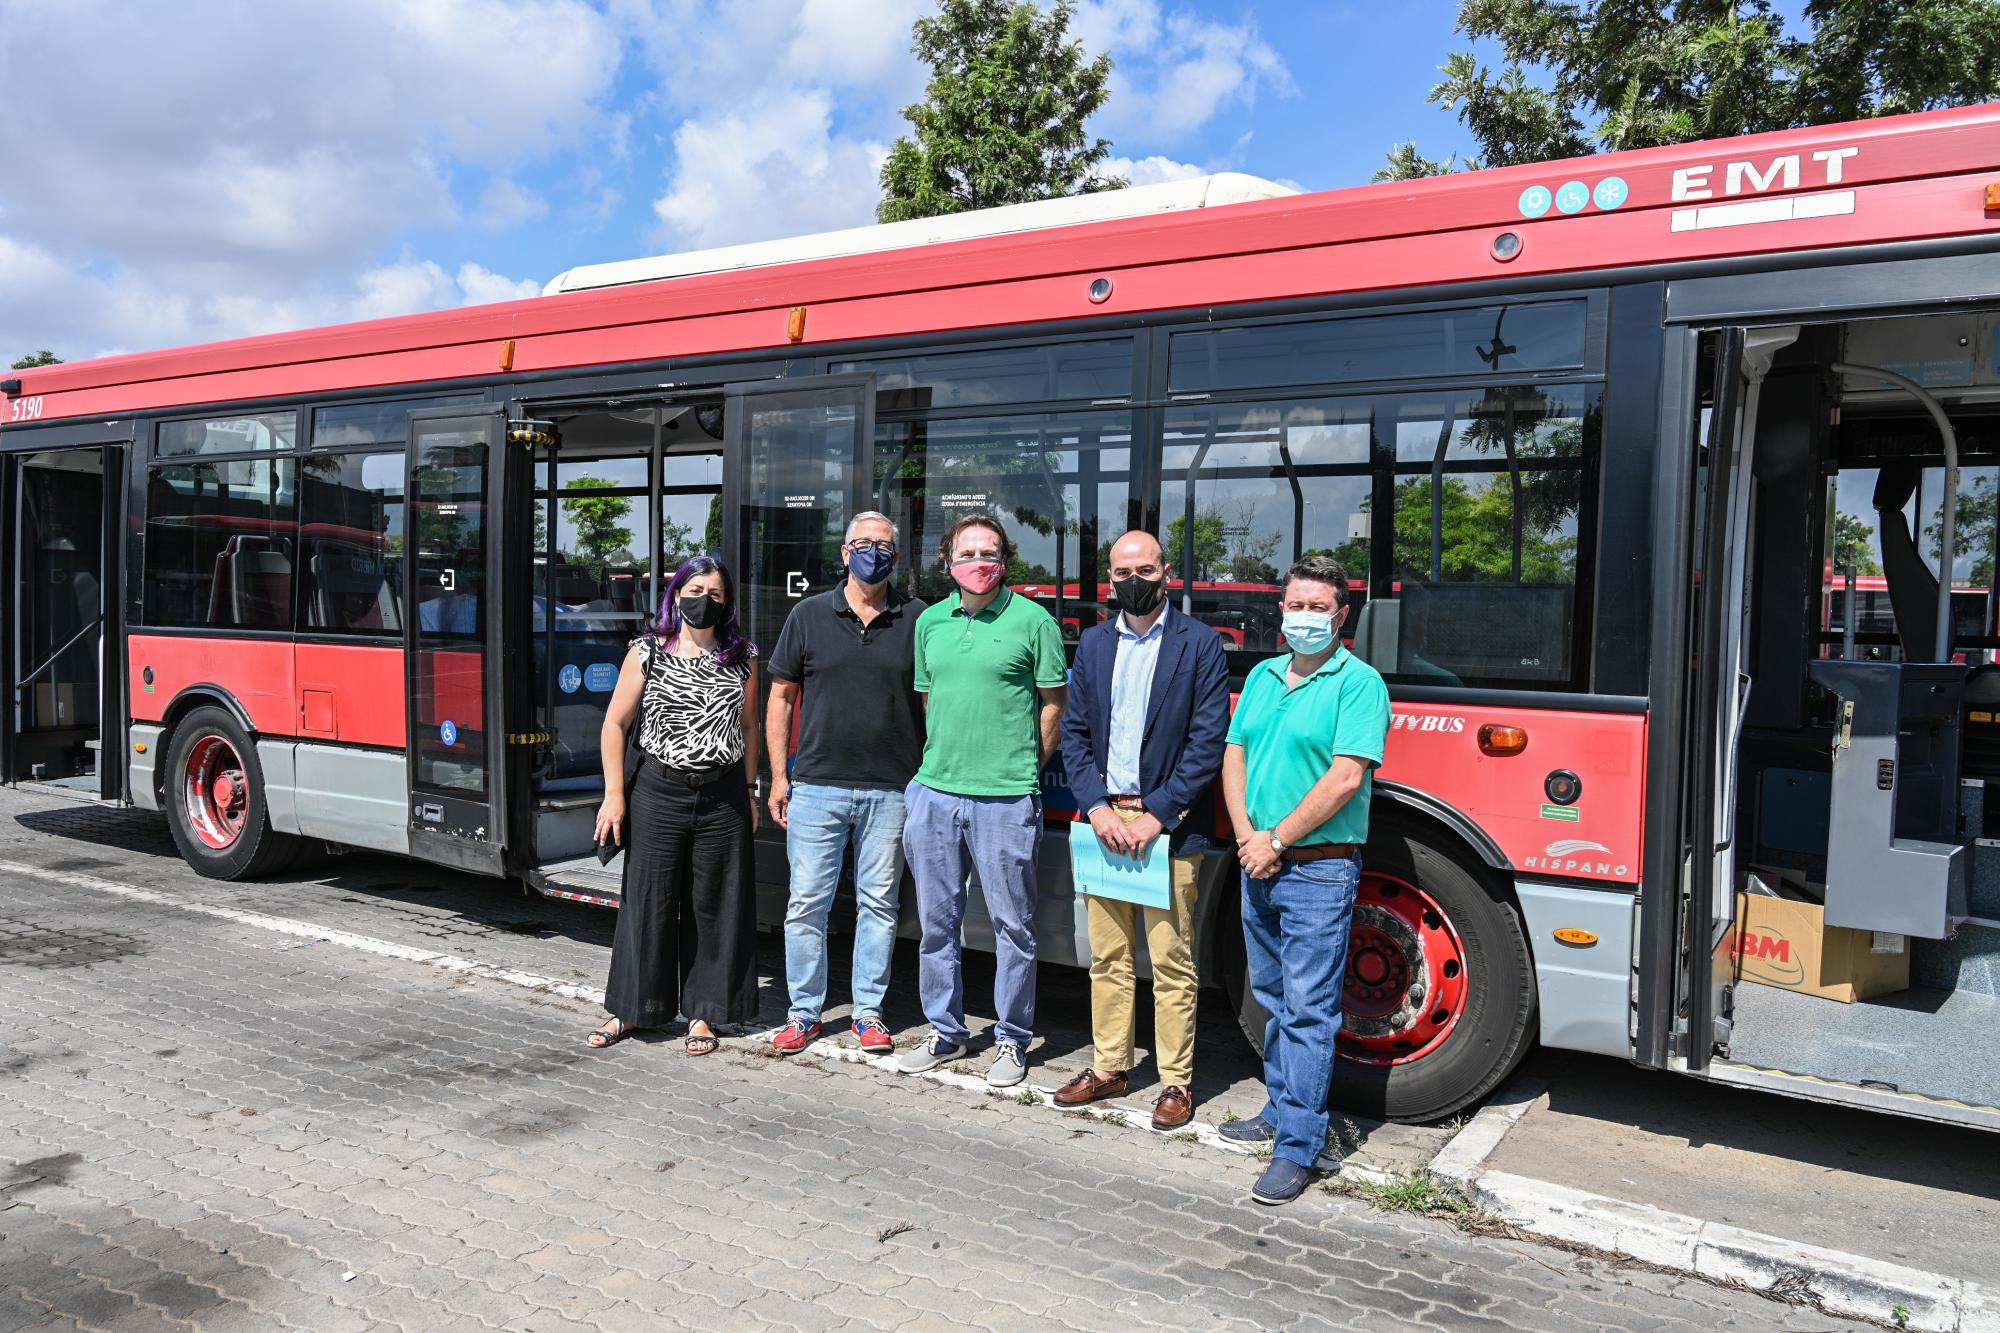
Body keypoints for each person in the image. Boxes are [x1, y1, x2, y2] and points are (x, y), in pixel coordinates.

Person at [1219, 555, 1390, 1205]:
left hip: (1317, 867)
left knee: (1311, 1008)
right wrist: (1246, 837)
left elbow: (1347, 776)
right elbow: (1234, 755)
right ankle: (1281, 1107)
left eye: (1319, 607)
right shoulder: (1262, 675)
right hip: (1256, 859)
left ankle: (1300, 1147)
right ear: (1281, 609)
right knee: (1271, 994)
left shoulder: (1359, 683)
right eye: (1296, 605)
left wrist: (1277, 838)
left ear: (1342, 616)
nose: (1305, 617)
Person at [1054, 531, 1229, 1130]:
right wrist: (1098, 808)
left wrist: (1158, 814)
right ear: (1109, 579)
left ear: (1167, 573)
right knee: (1107, 954)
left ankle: (1176, 1081)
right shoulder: (1095, 644)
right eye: (1124, 570)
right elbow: (1075, 736)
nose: (1135, 580)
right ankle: (1109, 1067)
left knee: (1171, 959)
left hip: (1169, 828)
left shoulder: (1200, 645)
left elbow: (1207, 743)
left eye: (1146, 569)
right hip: (1104, 821)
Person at [897, 513, 1068, 1088]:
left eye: (989, 552)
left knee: (1012, 926)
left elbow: (1053, 704)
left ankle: (1012, 1040)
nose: (978, 562)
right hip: (935, 793)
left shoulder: (1033, 621)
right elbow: (930, 701)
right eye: (967, 553)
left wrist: (1025, 767)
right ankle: (945, 1031)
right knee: (937, 923)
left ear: (1005, 560)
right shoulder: (930, 624)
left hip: (1005, 797)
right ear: (948, 561)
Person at [586, 555, 761, 1056]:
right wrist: (614, 795)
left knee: (716, 906)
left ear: (726, 604)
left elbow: (749, 726)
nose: (704, 598)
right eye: (695, 588)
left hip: (722, 796)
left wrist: (748, 789)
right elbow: (614, 725)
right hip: (657, 793)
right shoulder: (647, 651)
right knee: (649, 901)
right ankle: (633, 1008)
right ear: (676, 593)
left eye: (716, 593)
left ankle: (705, 1014)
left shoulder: (742, 655)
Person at [765, 512, 926, 1055]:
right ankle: (804, 1013)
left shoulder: (918, 618)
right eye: (862, 543)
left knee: (879, 905)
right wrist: (779, 776)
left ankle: (868, 1014)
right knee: (806, 902)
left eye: (883, 545)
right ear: (843, 552)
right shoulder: (808, 615)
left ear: (896, 558)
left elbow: (931, 702)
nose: (872, 553)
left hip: (893, 788)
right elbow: (781, 698)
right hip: (816, 786)